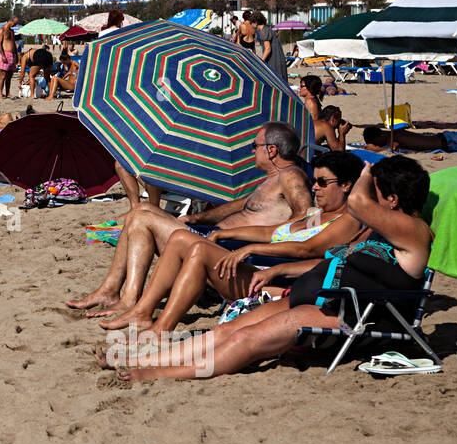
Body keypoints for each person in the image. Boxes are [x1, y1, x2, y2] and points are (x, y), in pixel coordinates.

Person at [99, 157, 432, 382]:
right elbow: (328, 259)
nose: (366, 195)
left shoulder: (415, 232)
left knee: (248, 339)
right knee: (225, 331)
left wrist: (363, 173)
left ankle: (158, 373)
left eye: (373, 190)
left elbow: (357, 204)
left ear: (390, 199)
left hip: (351, 313)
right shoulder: (379, 232)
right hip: (314, 296)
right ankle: (145, 359)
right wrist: (281, 270)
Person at [98, 151, 364, 334]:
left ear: (346, 185)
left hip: (275, 284)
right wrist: (226, 235)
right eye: (314, 180)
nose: (314, 187)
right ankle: (143, 311)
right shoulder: (316, 215)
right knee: (181, 237)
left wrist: (250, 249)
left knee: (199, 248)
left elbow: (309, 249)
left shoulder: (348, 220)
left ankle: (161, 327)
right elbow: (272, 232)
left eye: (322, 182)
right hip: (257, 272)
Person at [67, 122, 313, 315]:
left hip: (225, 248)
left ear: (272, 150)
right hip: (211, 236)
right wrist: (195, 219)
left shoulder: (291, 176)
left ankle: (127, 297)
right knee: (140, 210)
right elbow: (234, 208)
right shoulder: (271, 179)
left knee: (142, 217)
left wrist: (247, 240)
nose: (251, 150)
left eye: (254, 145)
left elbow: (304, 219)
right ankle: (111, 291)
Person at [253, 12, 287, 80]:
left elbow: (268, 48)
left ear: (255, 23)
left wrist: (260, 61)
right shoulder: (267, 29)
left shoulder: (263, 31)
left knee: (275, 80)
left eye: (251, 23)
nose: (251, 25)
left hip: (273, 59)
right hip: (278, 57)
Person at [0, 15, 20, 98]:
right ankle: (0, 93)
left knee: (9, 76)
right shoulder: (2, 30)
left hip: (12, 54)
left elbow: (13, 43)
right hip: (5, 53)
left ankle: (8, 93)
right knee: (3, 76)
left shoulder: (12, 31)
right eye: (15, 23)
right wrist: (2, 55)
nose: (15, 25)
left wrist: (16, 55)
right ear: (10, 21)